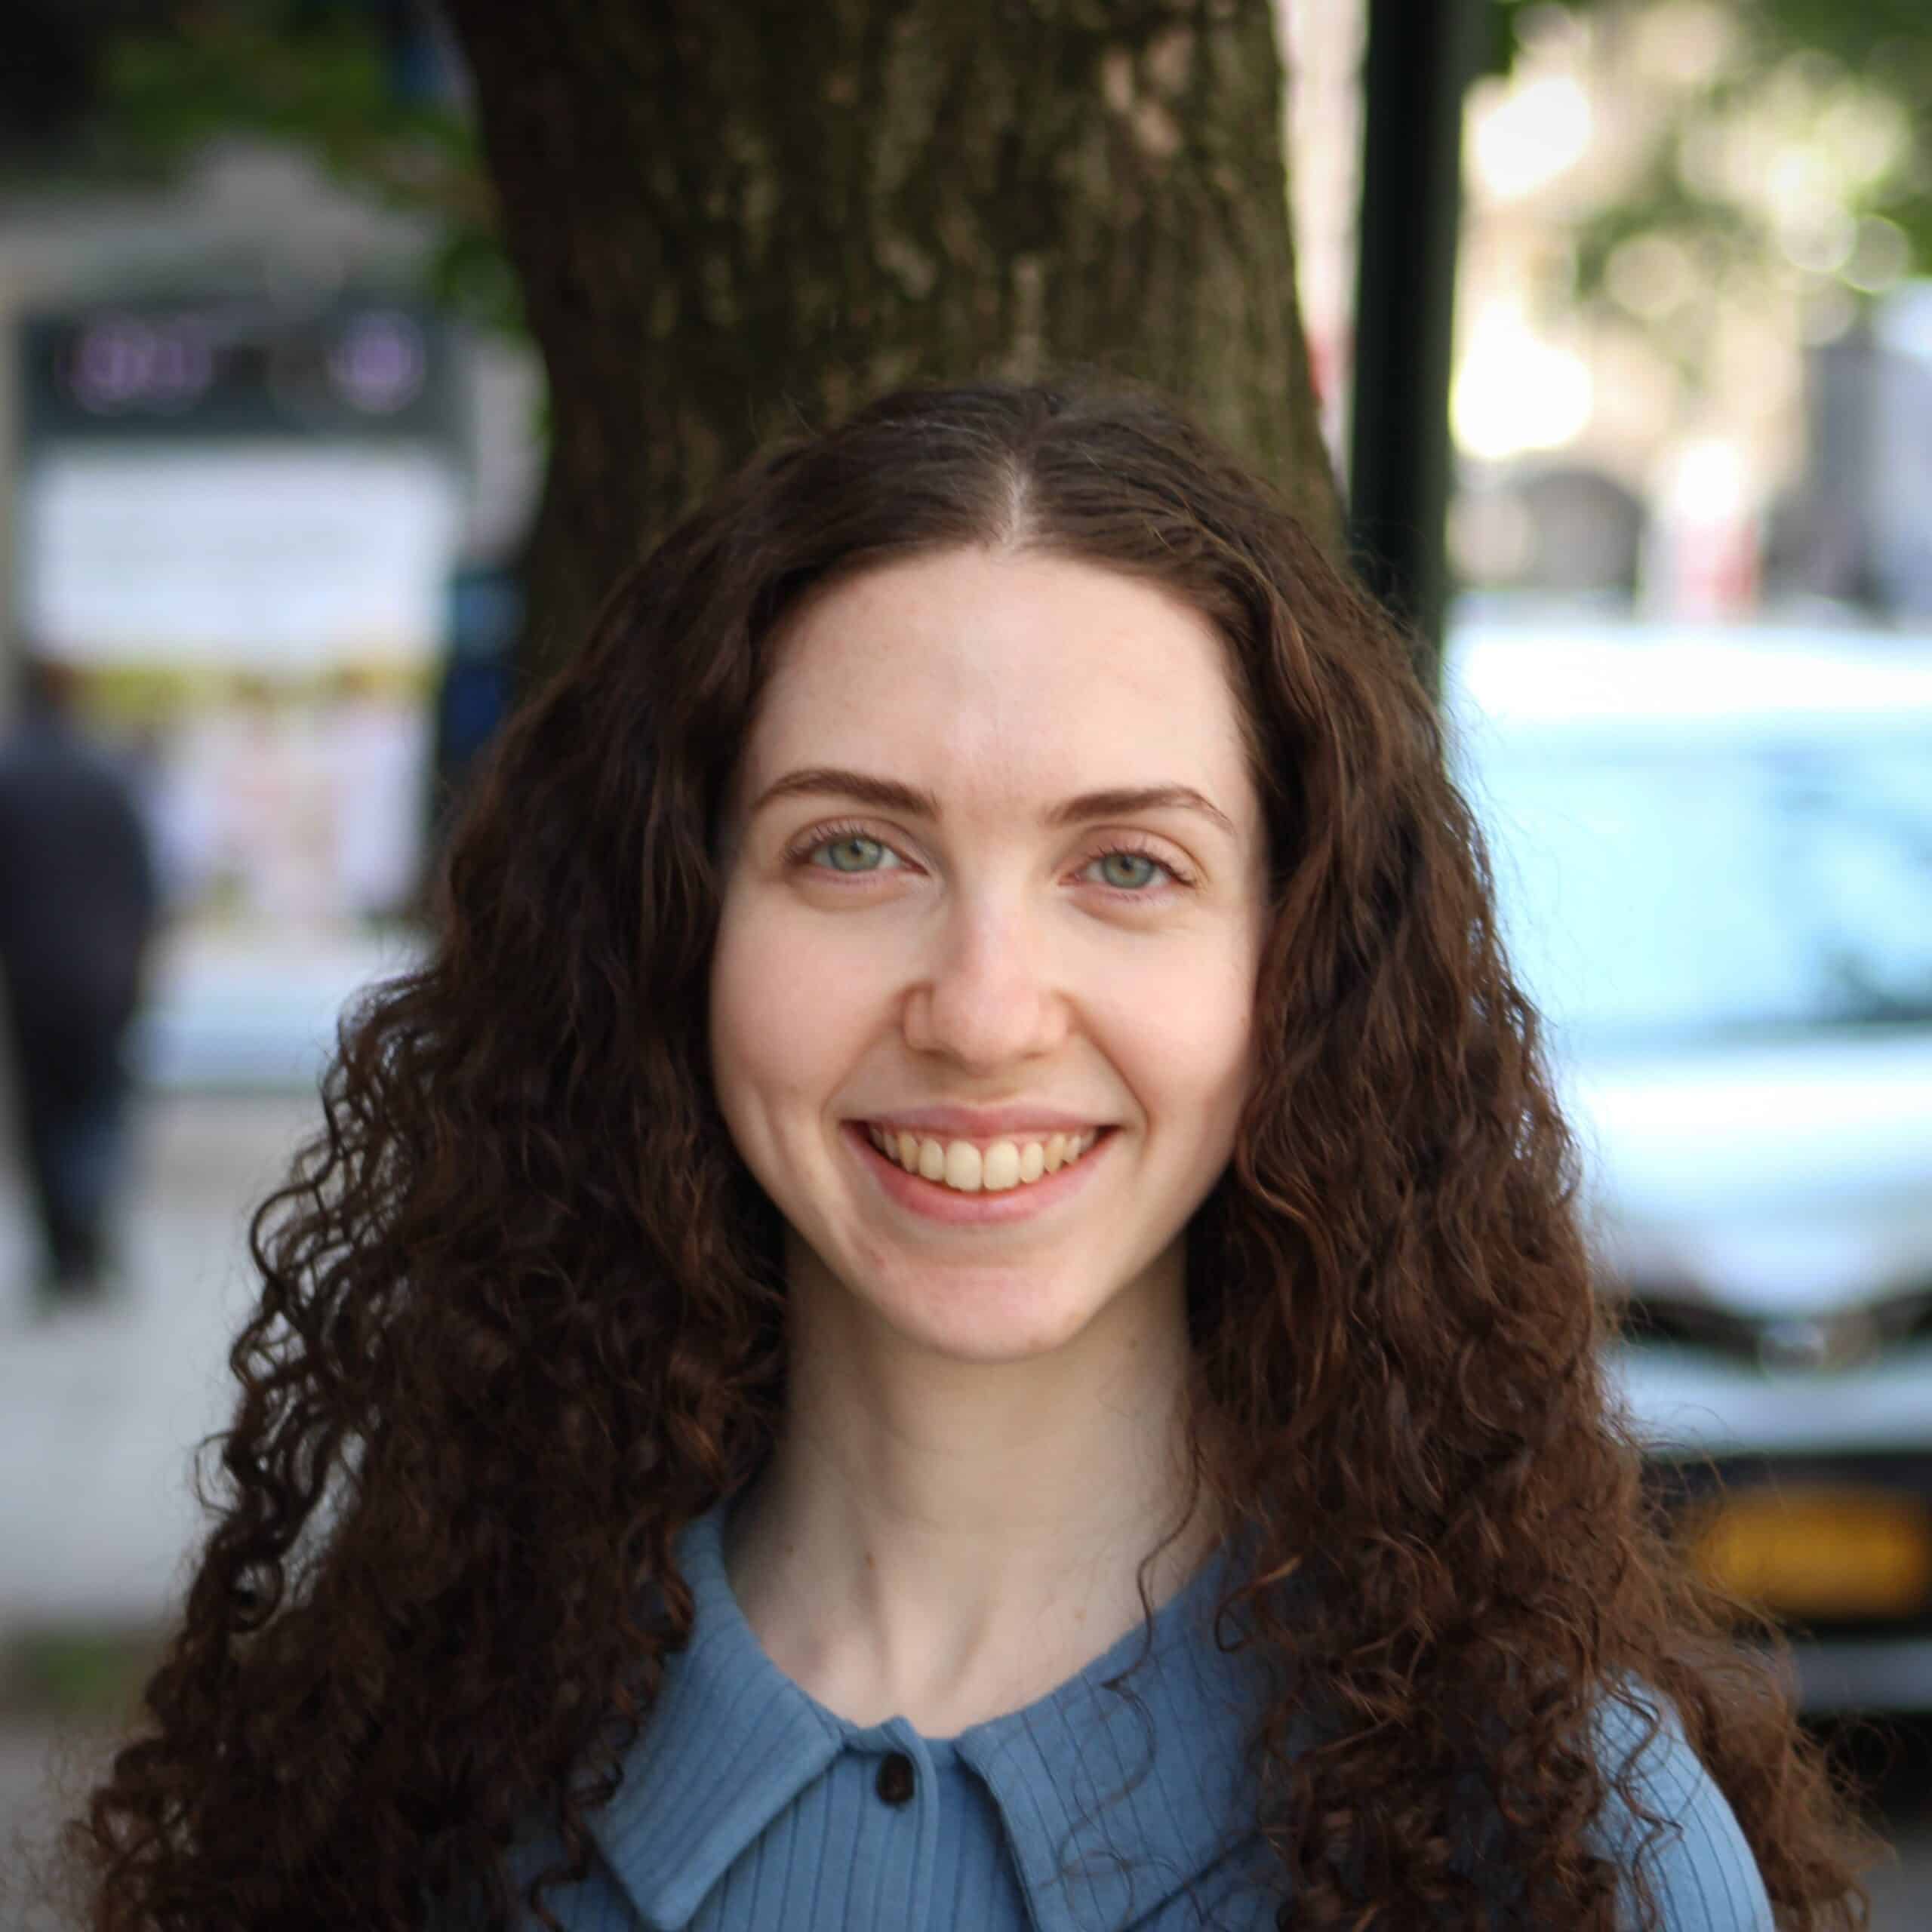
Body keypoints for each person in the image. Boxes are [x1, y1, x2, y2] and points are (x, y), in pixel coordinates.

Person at [56, 384, 1871, 1930]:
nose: (984, 1008)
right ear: (676, 936)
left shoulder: (1560, 1846)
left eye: (1127, 865)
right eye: (853, 850)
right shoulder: (391, 1787)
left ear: (1297, 972)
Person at [0, 656, 159, 1311]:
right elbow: (146, 883)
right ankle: (90, 1232)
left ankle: (63, 1247)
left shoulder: (12, 776)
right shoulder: (108, 777)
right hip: (105, 971)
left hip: (34, 973)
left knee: (45, 1111)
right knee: (98, 1104)